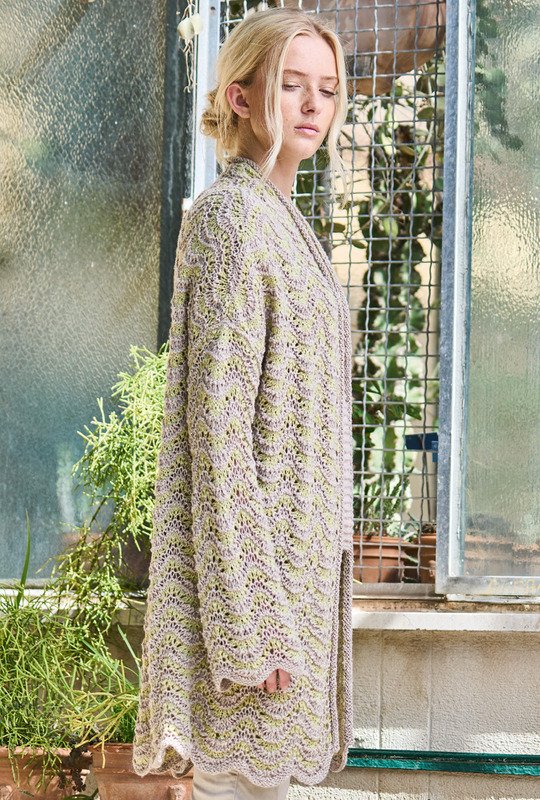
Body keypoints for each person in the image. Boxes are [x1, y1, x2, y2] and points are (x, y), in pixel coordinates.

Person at [132, 7, 355, 799]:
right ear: (239, 96)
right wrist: (251, 623)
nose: (313, 104)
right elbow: (217, 431)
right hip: (258, 618)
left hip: (296, 597)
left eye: (327, 88)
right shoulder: (232, 220)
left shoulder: (284, 224)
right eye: (291, 84)